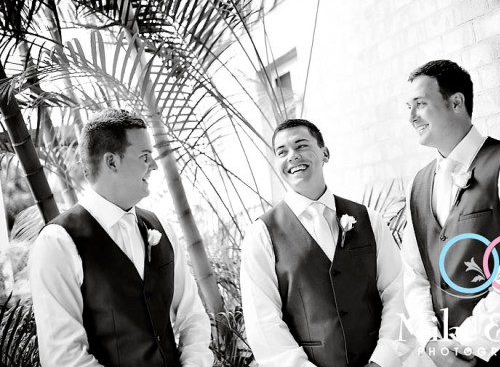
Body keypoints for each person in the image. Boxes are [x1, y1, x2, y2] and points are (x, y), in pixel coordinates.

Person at [402, 60, 500, 366]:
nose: (411, 117)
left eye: (420, 104)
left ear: (456, 102)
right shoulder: (416, 185)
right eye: (408, 107)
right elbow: (415, 275)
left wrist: (468, 344)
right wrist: (431, 341)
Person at [29, 109, 213, 367]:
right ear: (112, 162)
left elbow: (192, 317)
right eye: (145, 156)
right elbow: (63, 357)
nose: (154, 165)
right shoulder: (58, 243)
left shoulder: (162, 229)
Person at [241, 119, 410, 367]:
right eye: (282, 152)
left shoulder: (370, 220)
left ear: (325, 153)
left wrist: (383, 360)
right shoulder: (261, 234)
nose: (292, 156)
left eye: (301, 145)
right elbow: (263, 321)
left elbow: (399, 293)